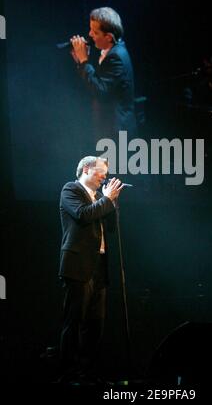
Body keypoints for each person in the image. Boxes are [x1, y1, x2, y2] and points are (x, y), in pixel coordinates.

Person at [58, 156, 124, 384]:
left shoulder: (99, 199)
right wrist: (106, 199)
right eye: (101, 172)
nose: (104, 177)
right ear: (86, 169)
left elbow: (112, 229)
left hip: (99, 266)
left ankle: (87, 372)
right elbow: (83, 215)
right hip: (78, 265)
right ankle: (69, 373)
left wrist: (113, 203)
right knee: (75, 321)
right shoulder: (71, 189)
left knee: (95, 324)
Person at [70, 7, 137, 143]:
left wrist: (84, 61)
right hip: (110, 130)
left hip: (117, 134)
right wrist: (80, 63)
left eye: (95, 32)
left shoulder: (116, 57)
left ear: (108, 37)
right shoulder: (113, 51)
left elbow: (101, 91)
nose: (90, 35)